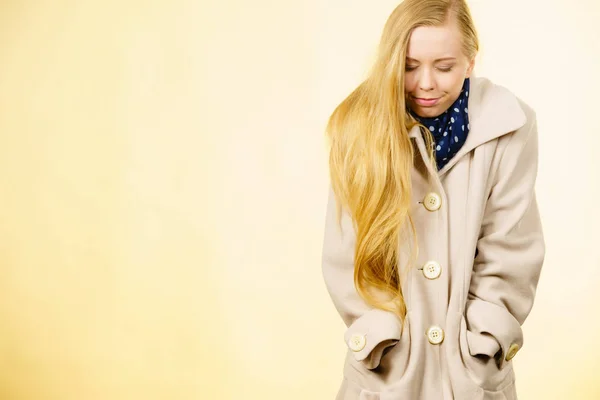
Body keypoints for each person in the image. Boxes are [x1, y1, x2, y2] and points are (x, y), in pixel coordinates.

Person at [321, 0, 545, 399]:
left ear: (470, 62)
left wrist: (485, 336)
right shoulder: (357, 127)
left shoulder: (509, 124)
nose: (426, 82)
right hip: (386, 375)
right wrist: (381, 335)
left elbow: (511, 245)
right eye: (409, 66)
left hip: (471, 375)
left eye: (444, 67)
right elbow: (345, 248)